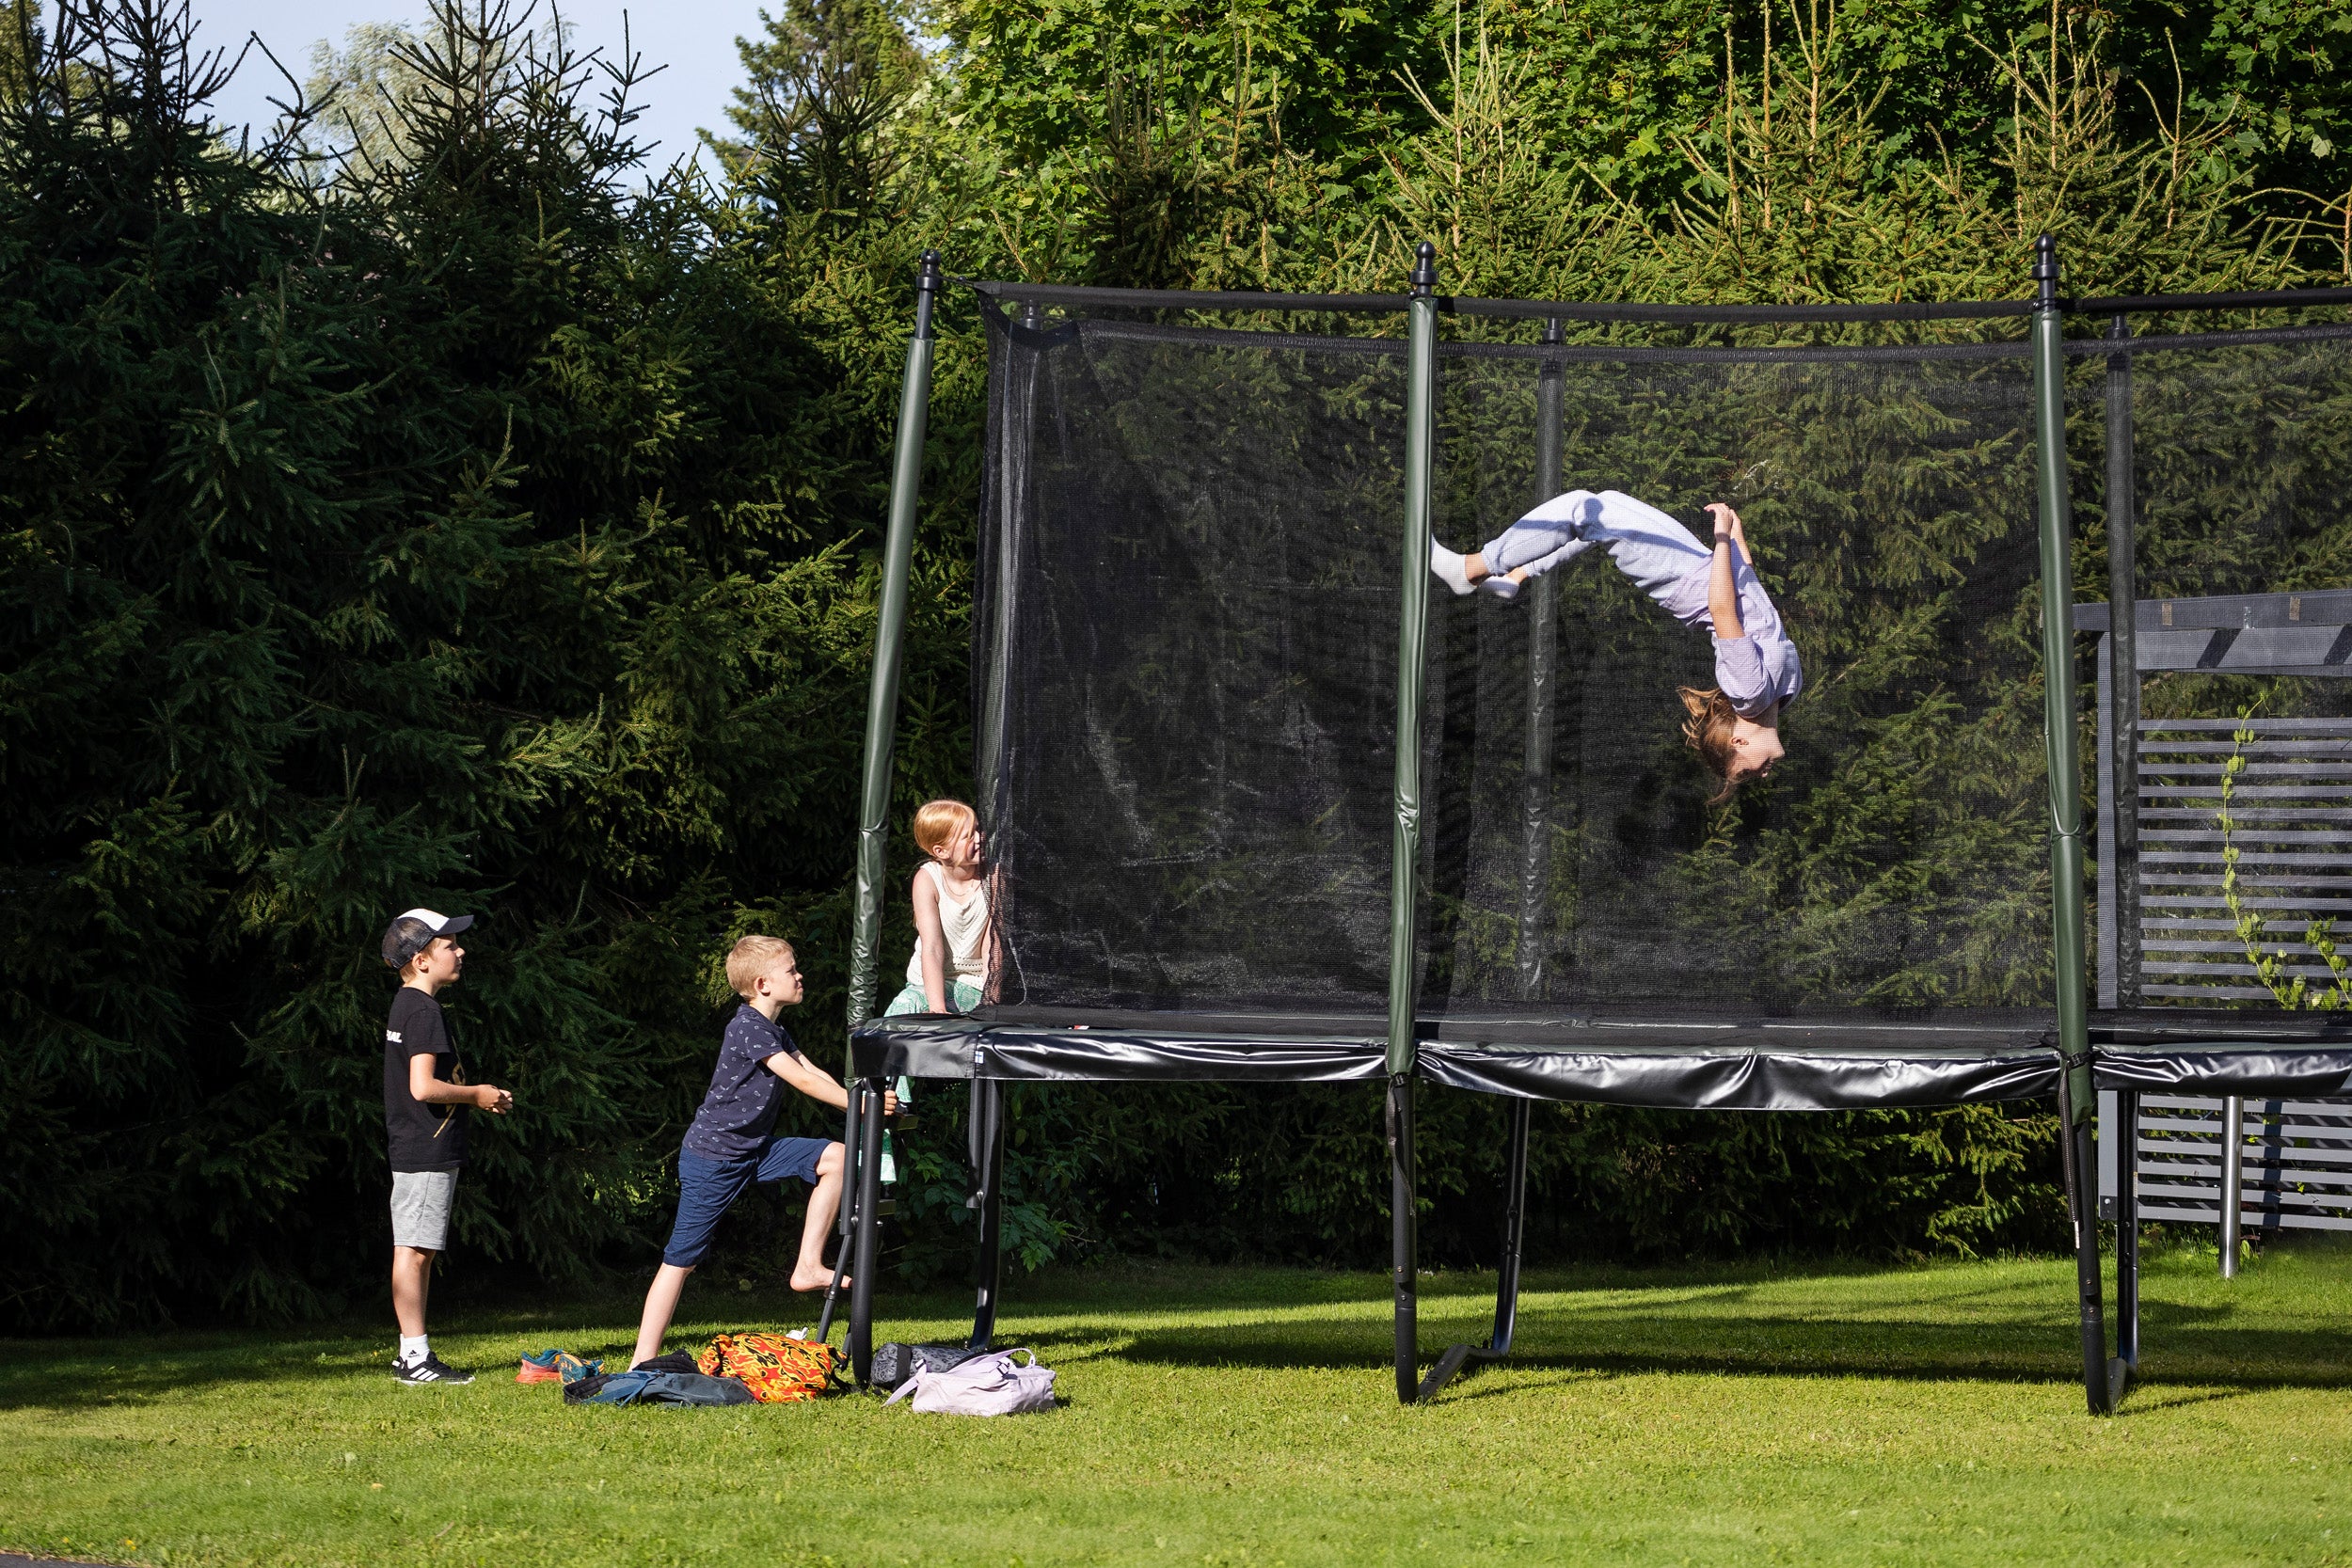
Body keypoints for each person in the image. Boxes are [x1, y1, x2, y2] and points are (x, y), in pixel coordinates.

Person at [629, 935, 896, 1370]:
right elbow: (801, 1081)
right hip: (714, 1158)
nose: (799, 975)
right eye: (791, 970)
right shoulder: (747, 1027)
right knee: (681, 1261)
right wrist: (860, 1105)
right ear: (763, 984)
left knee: (839, 1158)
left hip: (755, 1149)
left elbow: (813, 1070)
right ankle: (643, 1359)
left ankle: (807, 1266)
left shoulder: (774, 1029)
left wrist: (859, 1097)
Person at [1432, 490, 1801, 800]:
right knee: (1599, 508)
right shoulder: (1786, 691)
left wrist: (1721, 540)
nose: (1763, 774)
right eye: (1750, 775)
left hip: (1679, 577)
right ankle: (1516, 574)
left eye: (1750, 773)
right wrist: (1735, 539)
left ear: (1738, 743)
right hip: (1699, 565)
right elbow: (1754, 600)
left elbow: (1722, 609)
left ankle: (1472, 569)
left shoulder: (1750, 694)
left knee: (1586, 509)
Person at [381, 907, 513, 1386]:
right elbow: (422, 1087)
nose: (461, 951)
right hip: (424, 1146)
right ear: (421, 959)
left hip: (418, 1145)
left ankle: (410, 1353)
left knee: (418, 1251)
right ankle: (414, 1357)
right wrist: (478, 1094)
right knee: (415, 1252)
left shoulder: (407, 1004)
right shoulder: (424, 1010)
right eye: (450, 945)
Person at [882, 798, 999, 1017]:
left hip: (976, 983)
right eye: (967, 836)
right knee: (906, 1006)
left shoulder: (994, 877)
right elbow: (933, 947)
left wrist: (991, 1000)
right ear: (941, 851)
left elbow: (992, 946)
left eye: (977, 830)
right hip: (929, 983)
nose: (979, 838)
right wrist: (937, 1009)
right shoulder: (928, 879)